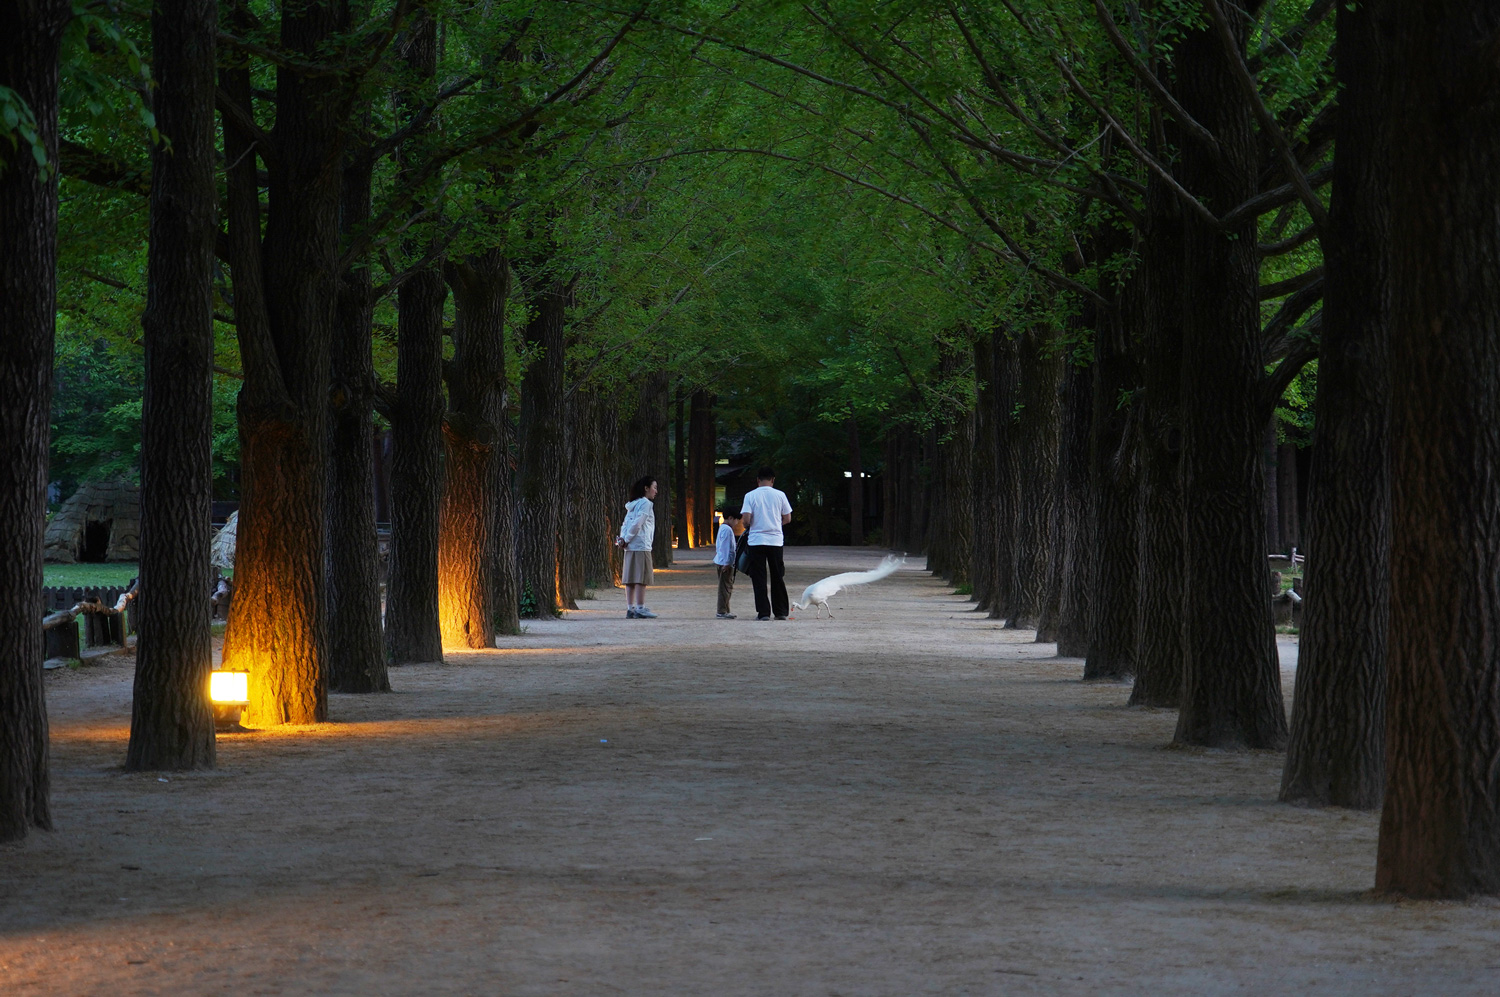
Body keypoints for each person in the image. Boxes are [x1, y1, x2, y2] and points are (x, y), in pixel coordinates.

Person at [740, 466, 793, 620]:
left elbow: (746, 519)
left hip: (756, 540)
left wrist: (748, 526)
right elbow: (788, 518)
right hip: (775, 540)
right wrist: (776, 525)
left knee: (759, 577)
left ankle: (763, 612)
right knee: (777, 575)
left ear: (758, 480)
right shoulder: (780, 495)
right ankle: (781, 611)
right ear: (773, 479)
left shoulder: (750, 495)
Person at [617, 475, 658, 619]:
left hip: (630, 546)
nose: (655, 491)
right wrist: (627, 539)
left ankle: (630, 608)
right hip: (641, 545)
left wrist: (623, 540)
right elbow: (638, 523)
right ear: (646, 489)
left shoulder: (632, 504)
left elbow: (626, 523)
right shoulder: (645, 504)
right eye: (654, 488)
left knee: (630, 577)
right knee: (641, 578)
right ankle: (640, 608)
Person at [712, 509, 742, 619]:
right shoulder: (727, 530)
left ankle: (725, 609)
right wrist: (727, 563)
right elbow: (726, 548)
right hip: (725, 563)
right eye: (736, 520)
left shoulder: (723, 529)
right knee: (725, 587)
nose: (737, 523)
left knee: (725, 586)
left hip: (722, 561)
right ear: (730, 518)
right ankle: (722, 611)